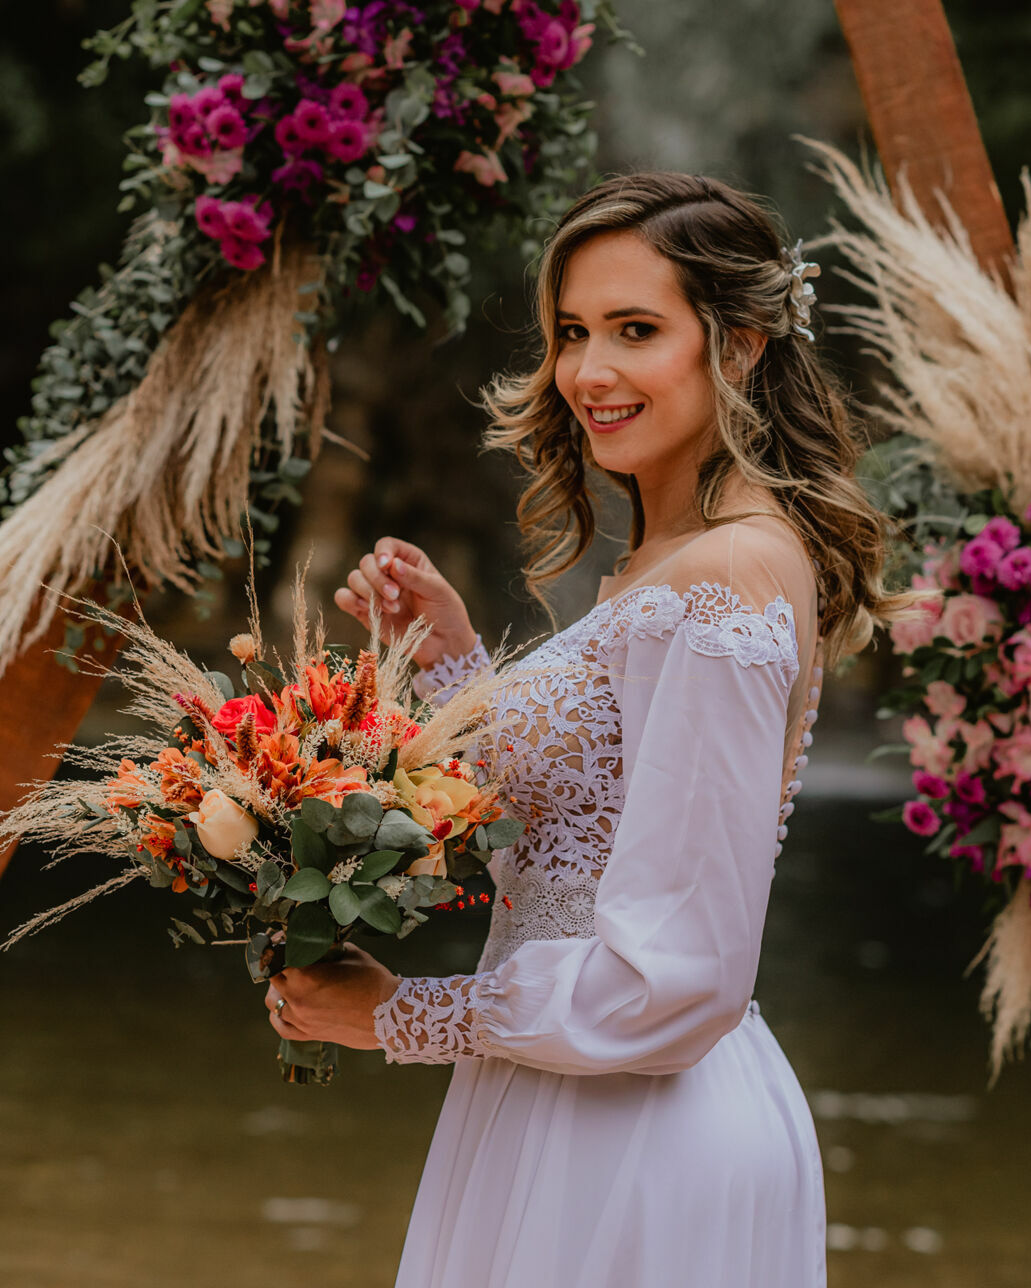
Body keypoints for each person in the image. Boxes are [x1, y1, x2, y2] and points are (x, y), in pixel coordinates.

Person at [264, 172, 920, 1287]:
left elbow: (680, 976)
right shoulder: (673, 559)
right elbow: (588, 837)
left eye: (636, 329)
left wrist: (402, 1016)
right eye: (572, 331)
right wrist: (458, 665)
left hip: (634, 1130)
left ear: (740, 344)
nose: (589, 372)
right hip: (563, 1095)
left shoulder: (725, 573)